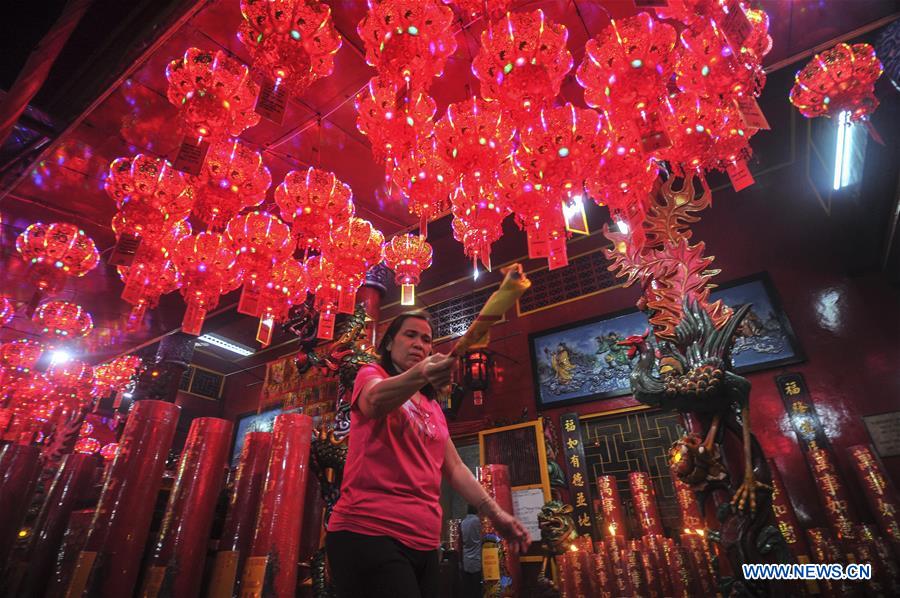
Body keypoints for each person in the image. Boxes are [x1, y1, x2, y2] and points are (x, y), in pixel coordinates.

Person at [326, 310, 530, 598]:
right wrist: (421, 373)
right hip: (368, 532)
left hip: (424, 543)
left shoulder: (433, 408)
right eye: (410, 335)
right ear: (388, 343)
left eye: (426, 339)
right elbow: (374, 401)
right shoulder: (372, 375)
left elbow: (456, 468)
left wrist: (496, 514)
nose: (419, 344)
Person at [460, 504, 482, 598]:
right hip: (476, 557)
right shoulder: (476, 521)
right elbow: (480, 536)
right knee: (476, 588)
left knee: (468, 587)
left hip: (466, 558)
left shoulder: (463, 522)